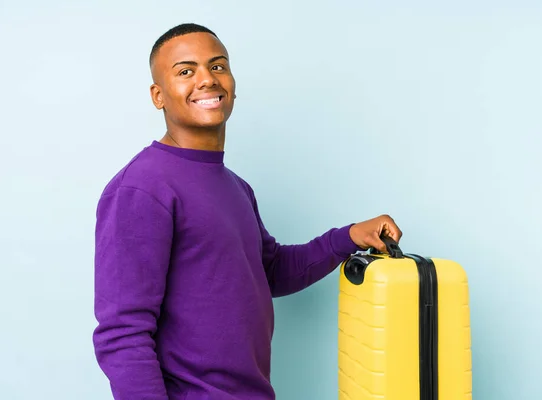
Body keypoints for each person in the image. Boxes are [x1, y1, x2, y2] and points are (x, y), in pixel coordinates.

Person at [92, 23, 402, 400]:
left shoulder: (236, 187)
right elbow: (122, 333)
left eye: (218, 66)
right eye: (186, 71)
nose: (207, 79)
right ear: (159, 95)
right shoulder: (141, 188)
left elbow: (269, 272)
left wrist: (349, 236)